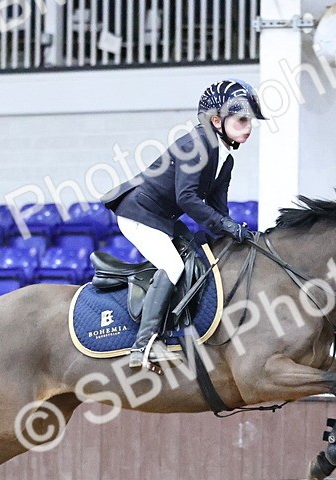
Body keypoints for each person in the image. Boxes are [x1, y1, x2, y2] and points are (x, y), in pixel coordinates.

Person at [100, 79, 267, 370]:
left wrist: (234, 232)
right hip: (139, 214)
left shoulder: (225, 158)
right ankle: (144, 345)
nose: (248, 127)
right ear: (216, 120)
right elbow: (187, 198)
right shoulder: (196, 145)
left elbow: (218, 207)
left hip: (162, 218)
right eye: (241, 120)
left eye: (250, 121)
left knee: (199, 261)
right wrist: (226, 226)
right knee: (173, 266)